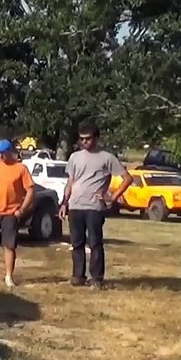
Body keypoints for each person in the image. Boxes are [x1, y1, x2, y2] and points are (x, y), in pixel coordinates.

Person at [61, 121, 132, 289]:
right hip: (75, 206)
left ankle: (97, 279)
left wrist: (112, 197)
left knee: (95, 243)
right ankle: (78, 276)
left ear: (96, 138)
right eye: (81, 139)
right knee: (77, 243)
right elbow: (70, 182)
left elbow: (127, 178)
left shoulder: (107, 157)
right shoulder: (74, 157)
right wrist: (64, 202)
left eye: (88, 139)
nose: (84, 142)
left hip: (94, 207)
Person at [0, 139, 35, 288]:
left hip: (11, 212)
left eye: (3, 153)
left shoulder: (20, 168)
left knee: (9, 245)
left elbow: (30, 190)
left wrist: (21, 209)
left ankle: (9, 276)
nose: (0, 156)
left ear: (10, 153)